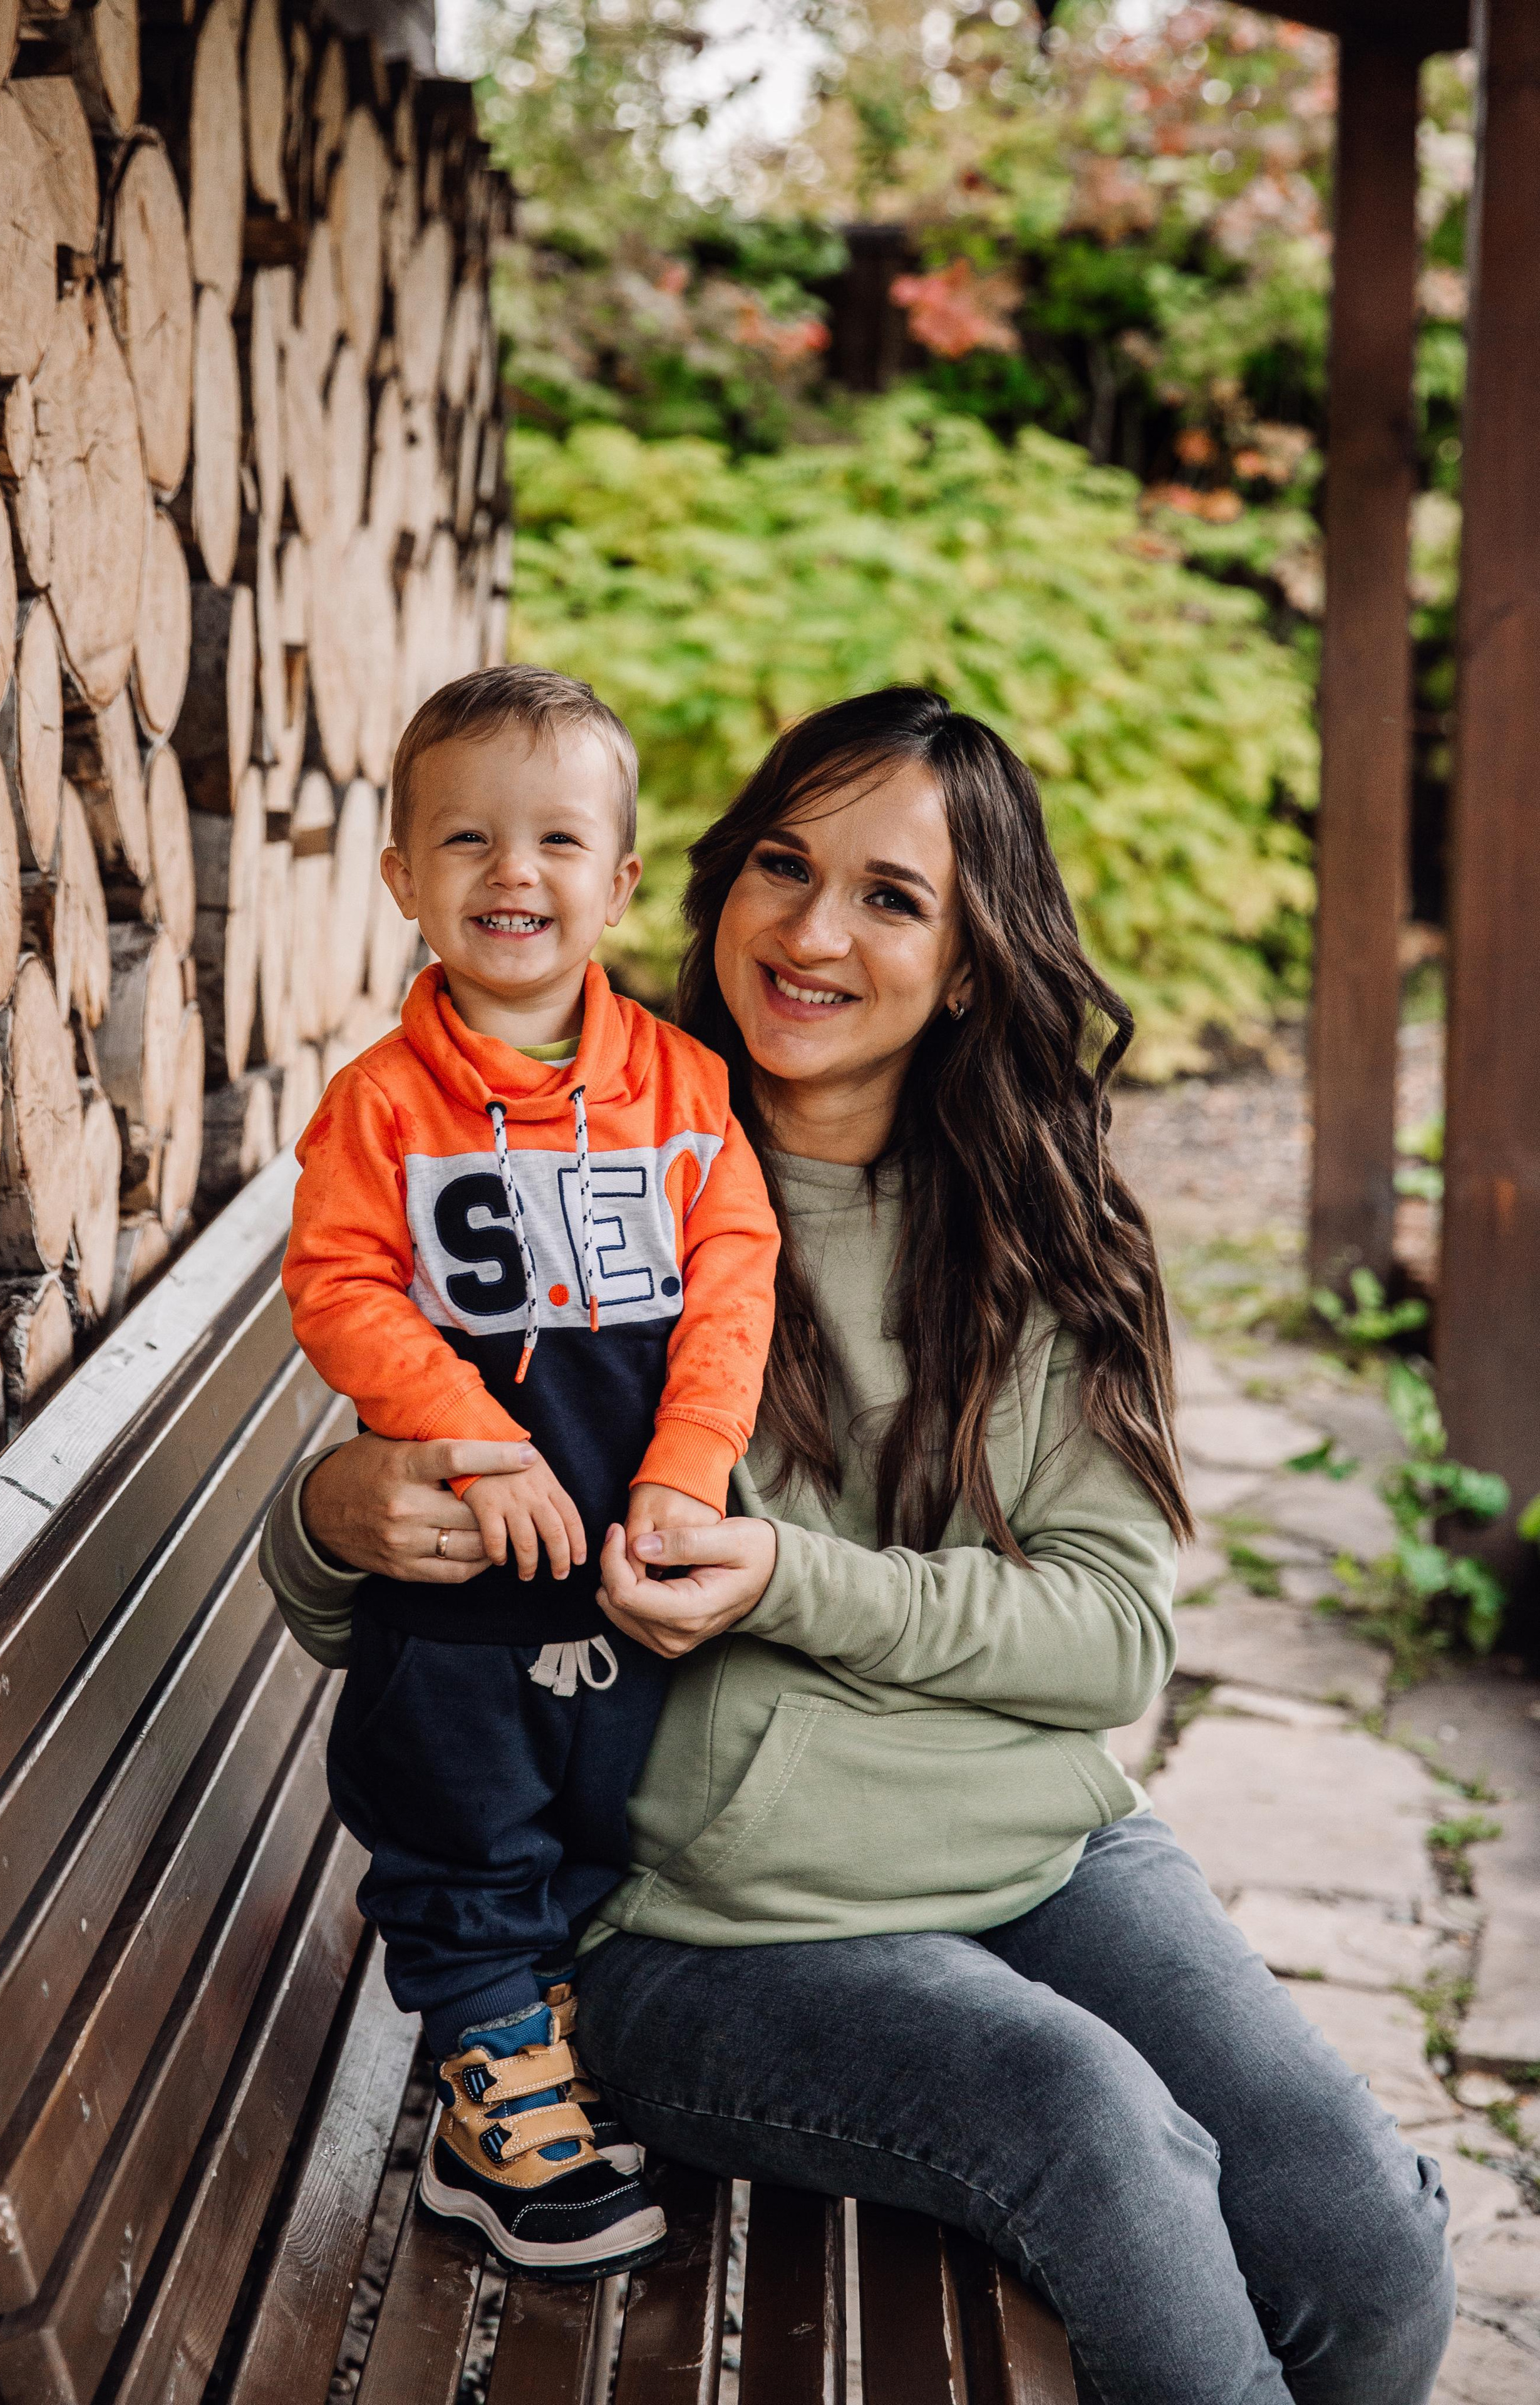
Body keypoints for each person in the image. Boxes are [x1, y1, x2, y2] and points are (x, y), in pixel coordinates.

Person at [264, 687, 1454, 2401]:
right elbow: (376, 1582)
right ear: (714, 884)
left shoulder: (1042, 1229)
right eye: (783, 866)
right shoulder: (606, 1162)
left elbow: (1114, 1637)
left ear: (970, 962)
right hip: (708, 1928)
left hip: (1041, 1855)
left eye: (892, 898)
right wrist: (329, 1511)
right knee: (1099, 2131)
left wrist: (791, 1579)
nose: (815, 932)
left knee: (1368, 2237)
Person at [280, 665, 778, 2278]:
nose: (514, 874)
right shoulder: (379, 1107)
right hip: (459, 1577)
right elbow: (342, 1285)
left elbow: (733, 1277)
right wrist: (471, 1434)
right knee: (459, 1825)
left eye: (559, 840)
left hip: (623, 1563)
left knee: (583, 1820)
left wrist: (689, 1465)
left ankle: (536, 2026)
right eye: (468, 841)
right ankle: (489, 2103)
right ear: (402, 877)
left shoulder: (681, 1091)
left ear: (620, 882)